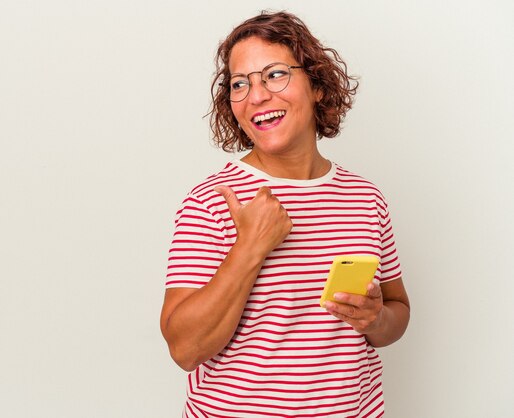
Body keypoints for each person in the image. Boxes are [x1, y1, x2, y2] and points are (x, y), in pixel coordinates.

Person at [160, 10, 410, 417]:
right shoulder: (212, 201)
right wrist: (250, 248)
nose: (256, 95)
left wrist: (375, 319)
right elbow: (185, 350)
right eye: (240, 84)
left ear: (316, 86)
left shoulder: (365, 198)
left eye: (274, 74)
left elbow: (397, 312)